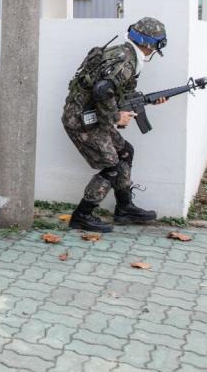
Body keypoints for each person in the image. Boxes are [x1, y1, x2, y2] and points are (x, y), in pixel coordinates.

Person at [61, 17, 167, 233]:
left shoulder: (123, 53)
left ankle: (124, 208)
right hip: (82, 120)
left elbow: (116, 91)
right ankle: (81, 215)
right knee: (111, 165)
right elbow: (102, 90)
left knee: (125, 152)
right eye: (156, 45)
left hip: (94, 116)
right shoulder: (126, 61)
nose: (155, 50)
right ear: (148, 44)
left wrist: (147, 100)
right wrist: (117, 117)